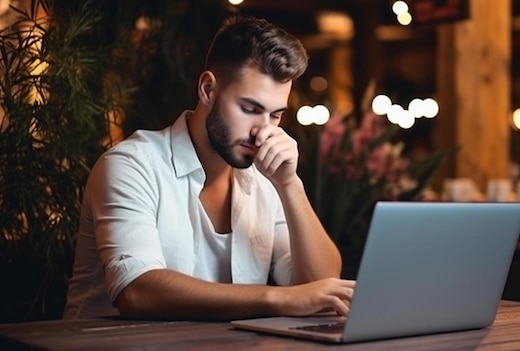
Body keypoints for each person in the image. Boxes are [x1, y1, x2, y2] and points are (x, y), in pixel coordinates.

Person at [64, 15, 355, 320]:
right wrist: (277, 298)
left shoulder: (267, 181)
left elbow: (322, 287)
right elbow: (137, 291)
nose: (263, 131)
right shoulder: (131, 166)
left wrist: (290, 185)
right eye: (250, 109)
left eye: (275, 115)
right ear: (207, 89)